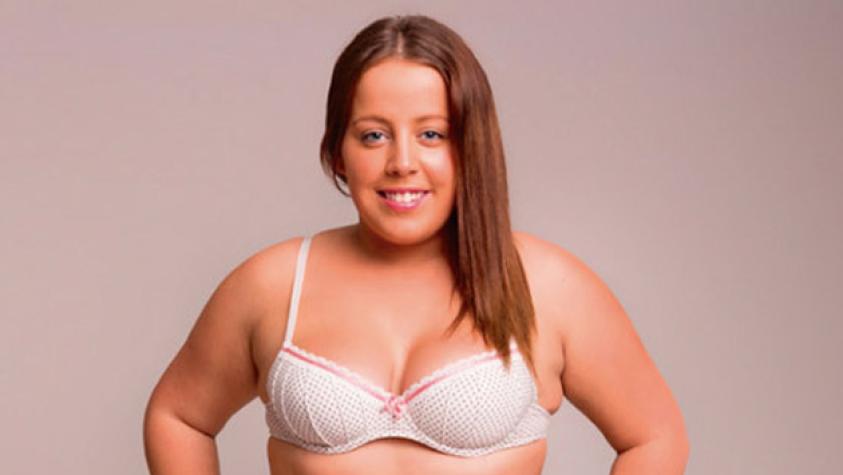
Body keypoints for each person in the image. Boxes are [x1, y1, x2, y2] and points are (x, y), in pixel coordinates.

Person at [143, 14, 689, 475]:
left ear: (470, 147)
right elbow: (179, 418)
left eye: (432, 134)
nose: (402, 162)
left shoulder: (547, 286)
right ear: (337, 152)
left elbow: (655, 436)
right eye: (374, 135)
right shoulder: (273, 285)